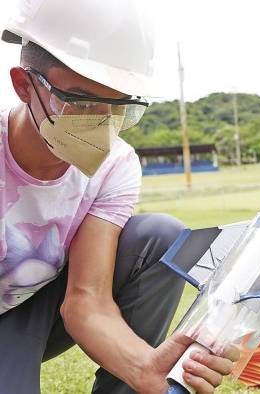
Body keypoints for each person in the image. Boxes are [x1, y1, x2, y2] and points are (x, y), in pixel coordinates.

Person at [0, 1, 238, 393]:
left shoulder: (116, 165)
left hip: (40, 303)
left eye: (118, 107)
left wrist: (146, 368)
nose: (98, 124)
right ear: (25, 85)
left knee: (160, 236)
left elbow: (86, 299)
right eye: (78, 102)